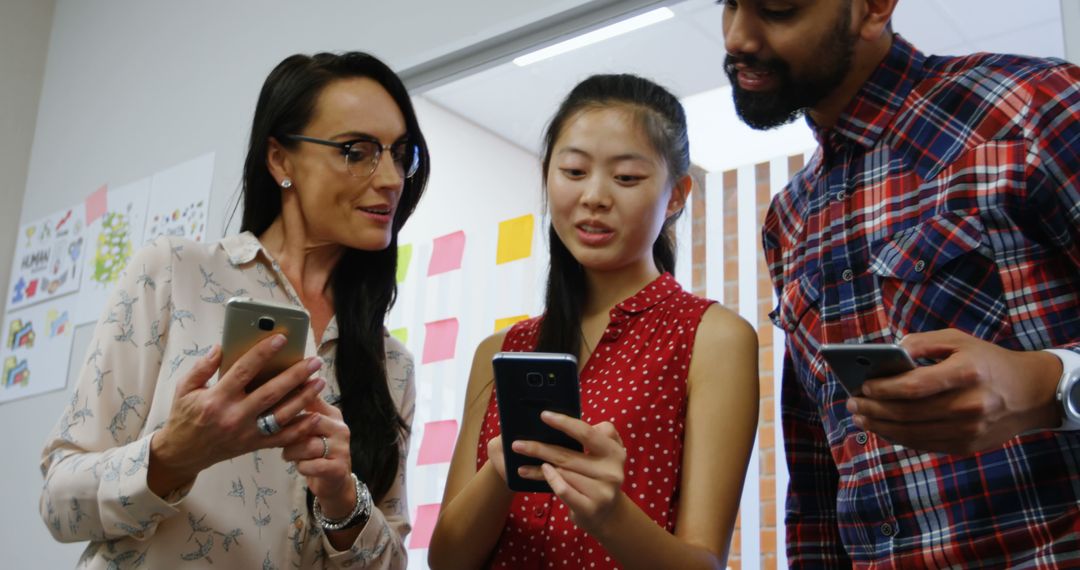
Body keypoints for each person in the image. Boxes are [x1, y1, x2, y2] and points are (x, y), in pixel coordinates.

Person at [38, 51, 430, 568]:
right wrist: (176, 453)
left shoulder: (390, 364)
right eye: (357, 151)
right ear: (280, 160)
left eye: (401, 153)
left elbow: (390, 561)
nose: (391, 178)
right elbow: (59, 504)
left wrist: (340, 496)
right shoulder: (173, 273)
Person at [722, 0, 1080, 565]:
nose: (738, 36)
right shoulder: (789, 218)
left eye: (779, 8)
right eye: (728, 4)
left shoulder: (1032, 107)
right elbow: (820, 472)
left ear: (873, 8)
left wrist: (1047, 388)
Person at [428, 73, 759, 570]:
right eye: (574, 171)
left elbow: (703, 563)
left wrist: (608, 512)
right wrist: (502, 471)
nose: (595, 196)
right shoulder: (503, 349)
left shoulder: (712, 336)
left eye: (626, 178)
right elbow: (447, 561)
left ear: (676, 195)